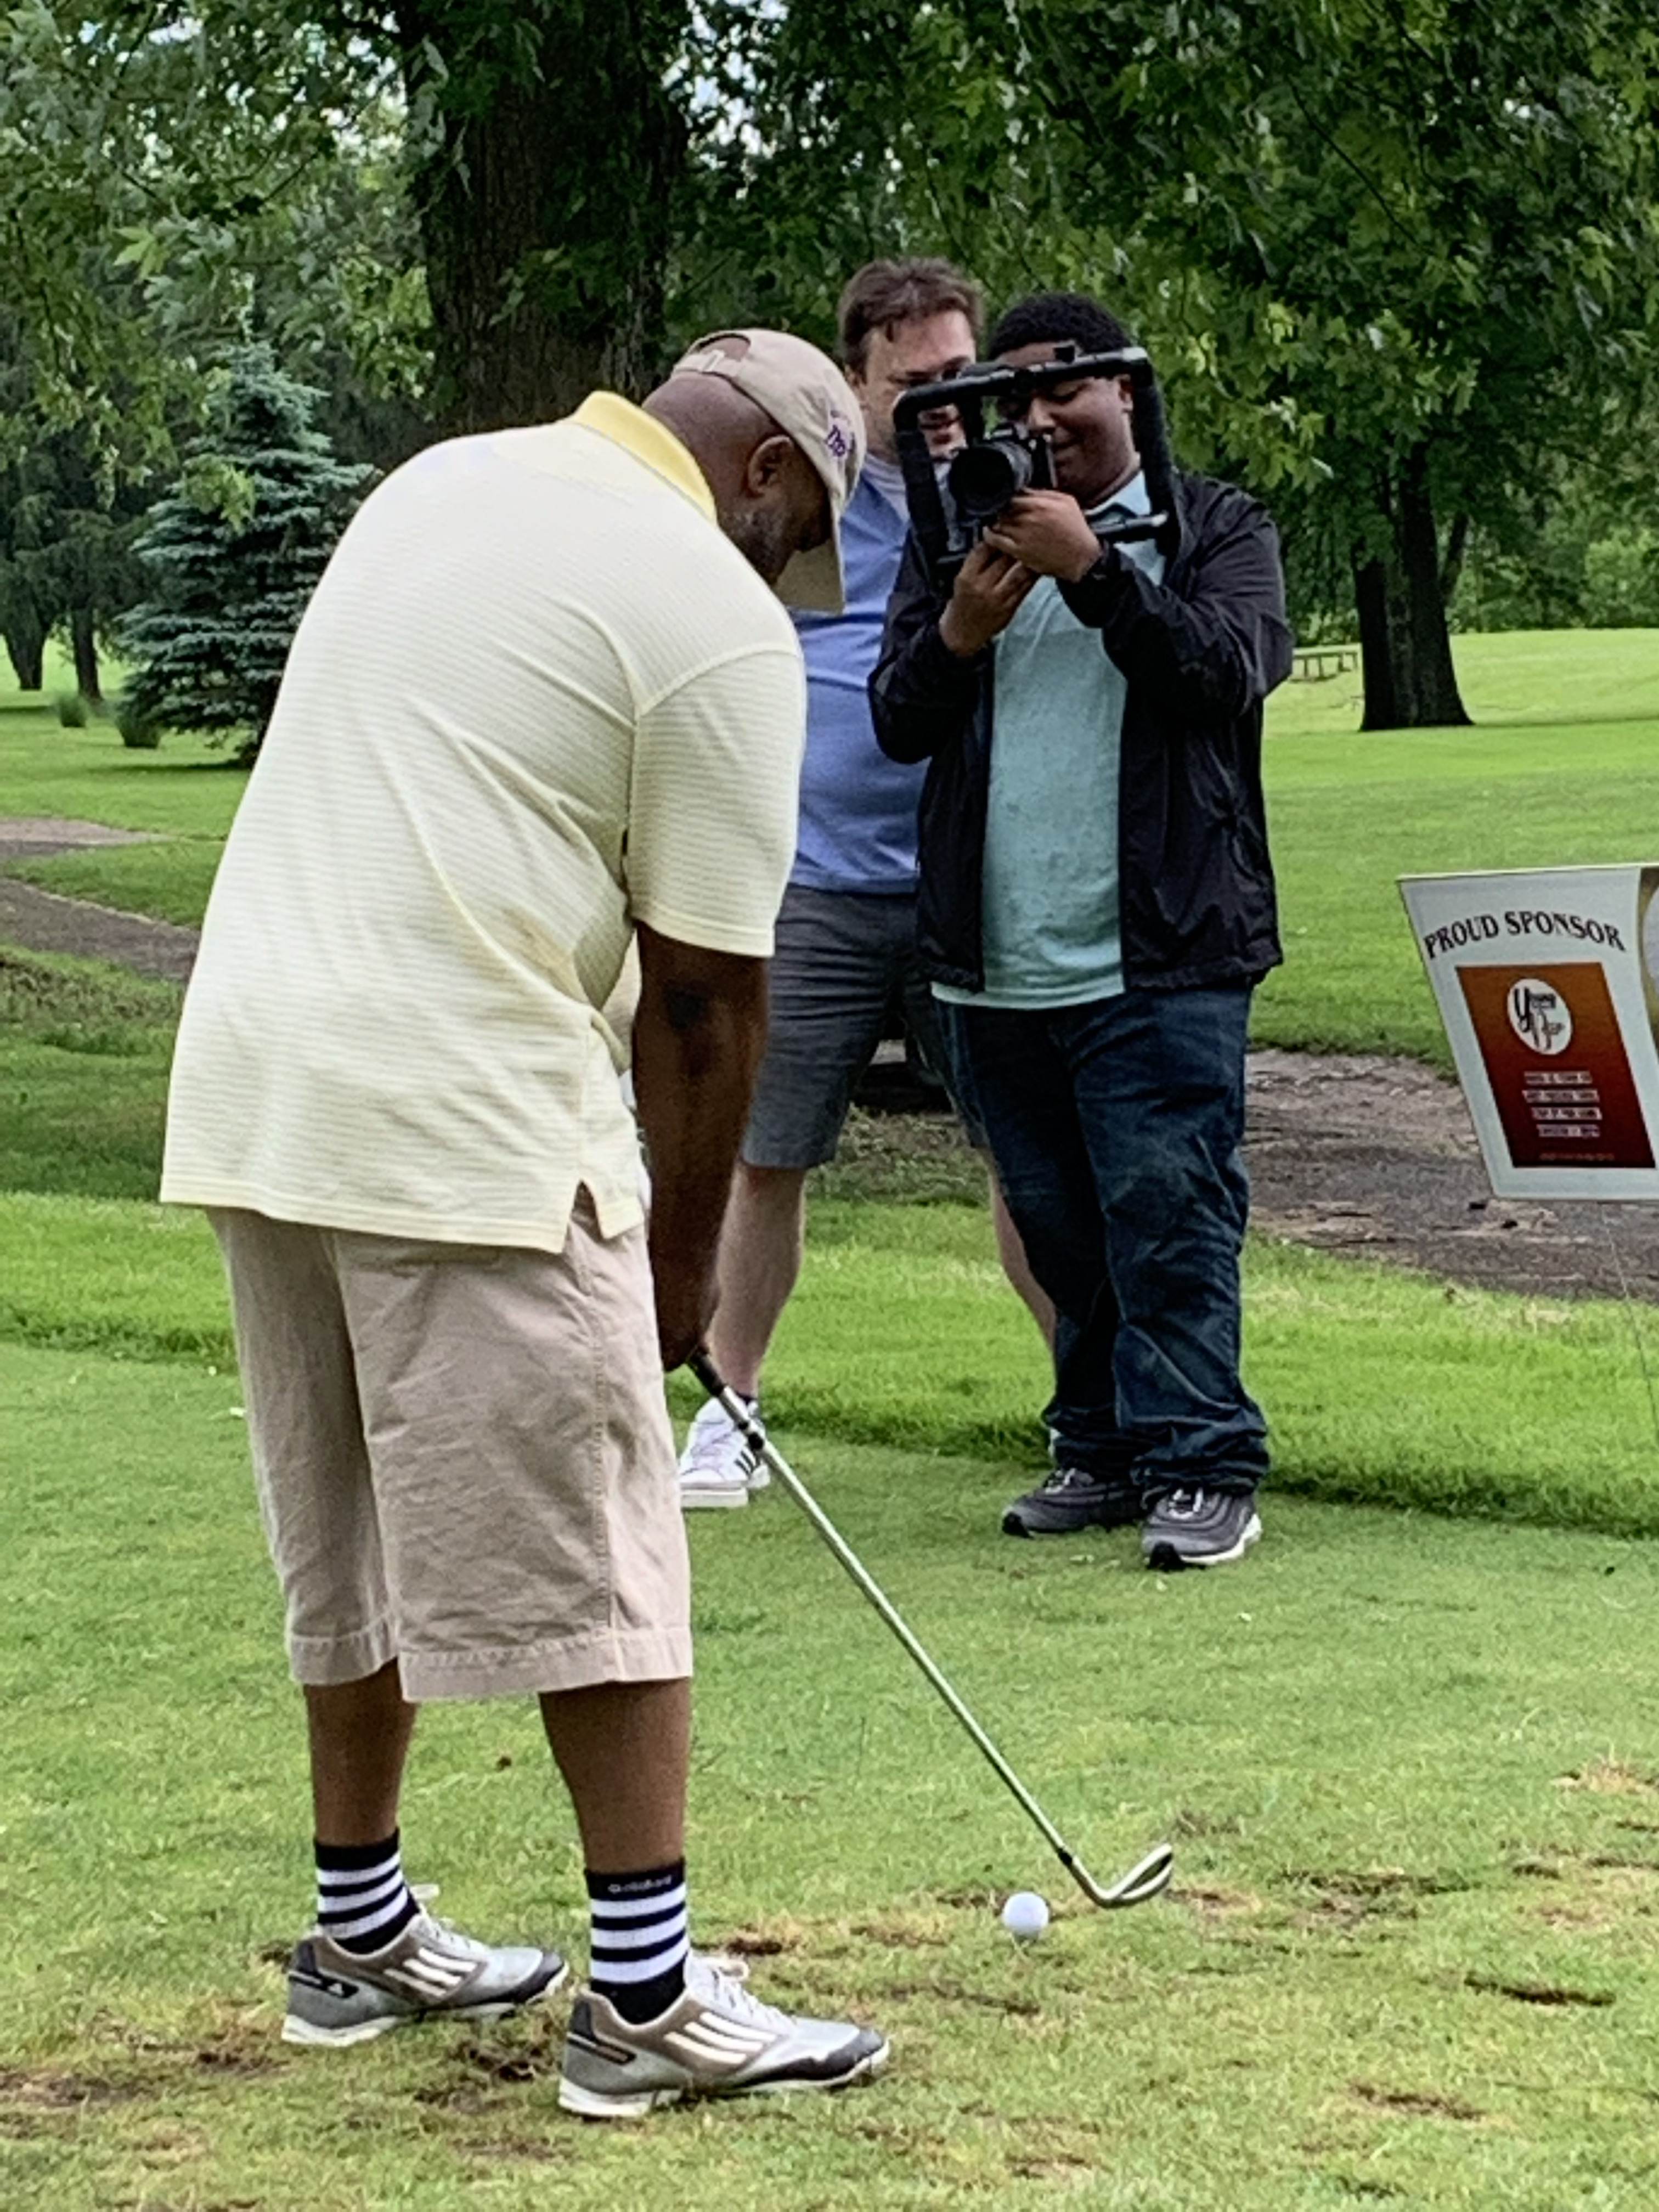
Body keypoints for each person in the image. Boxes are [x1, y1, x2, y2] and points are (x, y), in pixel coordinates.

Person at [160, 329, 889, 2117]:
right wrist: (683, 1269)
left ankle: (360, 1932)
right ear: (773, 479)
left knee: (342, 1524)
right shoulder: (711, 614)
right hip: (462, 1102)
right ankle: (643, 2000)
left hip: (259, 1077)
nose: (775, 583)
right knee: (608, 1529)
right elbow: (709, 999)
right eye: (788, 547)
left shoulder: (444, 479)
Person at [870, 291, 1292, 1570]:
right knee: (1060, 1223)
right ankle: (1099, 1446)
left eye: (1070, 387)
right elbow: (898, 717)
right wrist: (961, 632)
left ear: (1125, 391)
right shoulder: (955, 537)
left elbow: (1229, 670)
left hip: (1163, 950)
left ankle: (1203, 1461)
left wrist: (1096, 573)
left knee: (1170, 1211)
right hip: (996, 959)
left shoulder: (1215, 523)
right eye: (1020, 393)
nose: (1043, 415)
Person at [678, 257, 1055, 1508]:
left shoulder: (1015, 485)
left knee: (1021, 1153)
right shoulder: (806, 493)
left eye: (962, 375)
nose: (945, 402)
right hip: (817, 878)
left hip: (972, 876)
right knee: (765, 1152)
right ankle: (732, 1408)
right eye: (915, 383)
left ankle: (1087, 1405)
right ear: (856, 380)